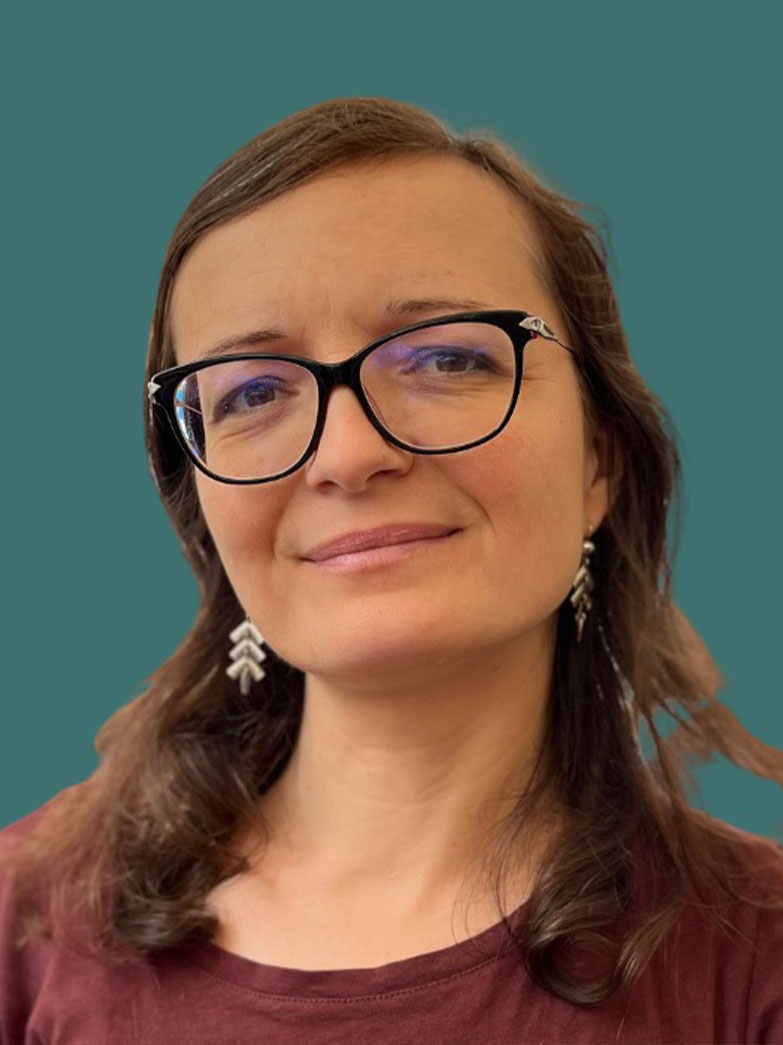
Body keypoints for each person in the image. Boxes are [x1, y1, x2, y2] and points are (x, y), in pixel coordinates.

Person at [1, 96, 782, 1044]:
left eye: (446, 359)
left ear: (598, 462)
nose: (347, 454)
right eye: (253, 391)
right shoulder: (23, 922)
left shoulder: (758, 956)